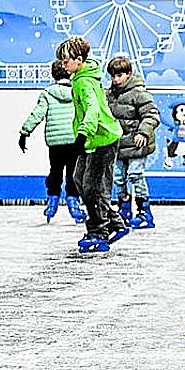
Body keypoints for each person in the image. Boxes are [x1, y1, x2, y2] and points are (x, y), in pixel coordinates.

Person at [57, 37, 127, 254]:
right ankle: (114, 221)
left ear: (79, 60)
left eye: (66, 60)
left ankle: (98, 231)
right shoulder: (80, 77)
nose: (62, 64)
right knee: (79, 179)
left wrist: (81, 135)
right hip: (92, 139)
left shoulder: (85, 82)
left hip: (103, 139)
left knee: (93, 187)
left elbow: (93, 110)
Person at [19, 60, 86, 224]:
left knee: (55, 171)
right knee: (72, 173)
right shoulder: (78, 91)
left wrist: (25, 132)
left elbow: (37, 114)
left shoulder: (48, 93)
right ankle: (73, 203)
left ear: (53, 75)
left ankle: (52, 202)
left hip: (55, 142)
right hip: (74, 140)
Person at [106, 55, 160, 230]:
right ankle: (124, 210)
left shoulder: (139, 93)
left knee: (136, 175)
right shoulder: (109, 94)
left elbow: (151, 115)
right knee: (118, 178)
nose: (115, 80)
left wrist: (143, 133)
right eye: (113, 76)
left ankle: (145, 212)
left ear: (128, 74)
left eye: (119, 75)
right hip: (118, 144)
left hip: (137, 144)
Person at [162, 100, 185, 168]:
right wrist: (158, 114)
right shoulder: (176, 124)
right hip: (178, 143)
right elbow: (165, 121)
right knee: (173, 148)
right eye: (181, 110)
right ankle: (168, 159)